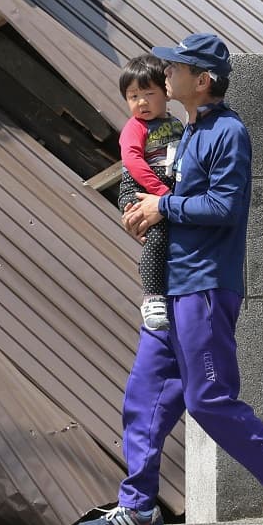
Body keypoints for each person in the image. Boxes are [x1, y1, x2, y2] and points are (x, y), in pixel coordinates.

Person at [76, 32, 263, 525]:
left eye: (176, 68)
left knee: (208, 398)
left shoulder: (228, 132)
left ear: (203, 79)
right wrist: (141, 211)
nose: (165, 74)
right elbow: (161, 193)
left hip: (205, 285)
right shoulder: (185, 130)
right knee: (145, 392)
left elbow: (225, 208)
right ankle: (141, 509)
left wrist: (161, 207)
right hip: (172, 283)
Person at [117, 55, 185, 331]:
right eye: (133, 96)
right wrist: (161, 193)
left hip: (167, 191)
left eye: (148, 93)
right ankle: (152, 297)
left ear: (166, 93)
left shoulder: (178, 124)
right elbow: (133, 162)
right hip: (140, 188)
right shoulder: (135, 128)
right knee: (155, 238)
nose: (141, 102)